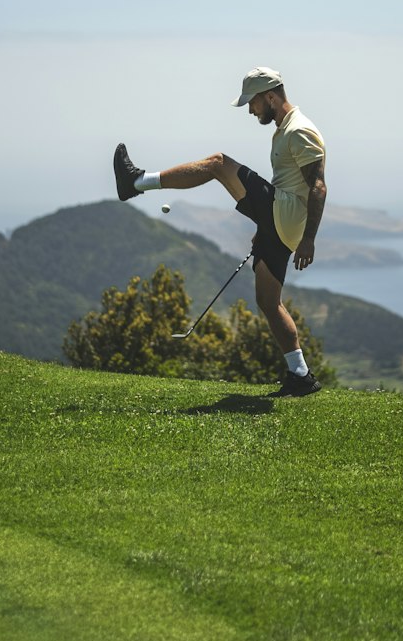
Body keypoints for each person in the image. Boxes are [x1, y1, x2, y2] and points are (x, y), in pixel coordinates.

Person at [113, 66, 327, 396]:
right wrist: (266, 224)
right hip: (281, 222)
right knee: (268, 302)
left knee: (217, 164)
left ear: (270, 96)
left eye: (252, 103)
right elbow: (292, 183)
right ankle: (301, 376)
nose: (251, 111)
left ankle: (137, 182)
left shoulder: (298, 130)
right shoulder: (285, 130)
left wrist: (309, 238)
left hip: (286, 216)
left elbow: (318, 186)